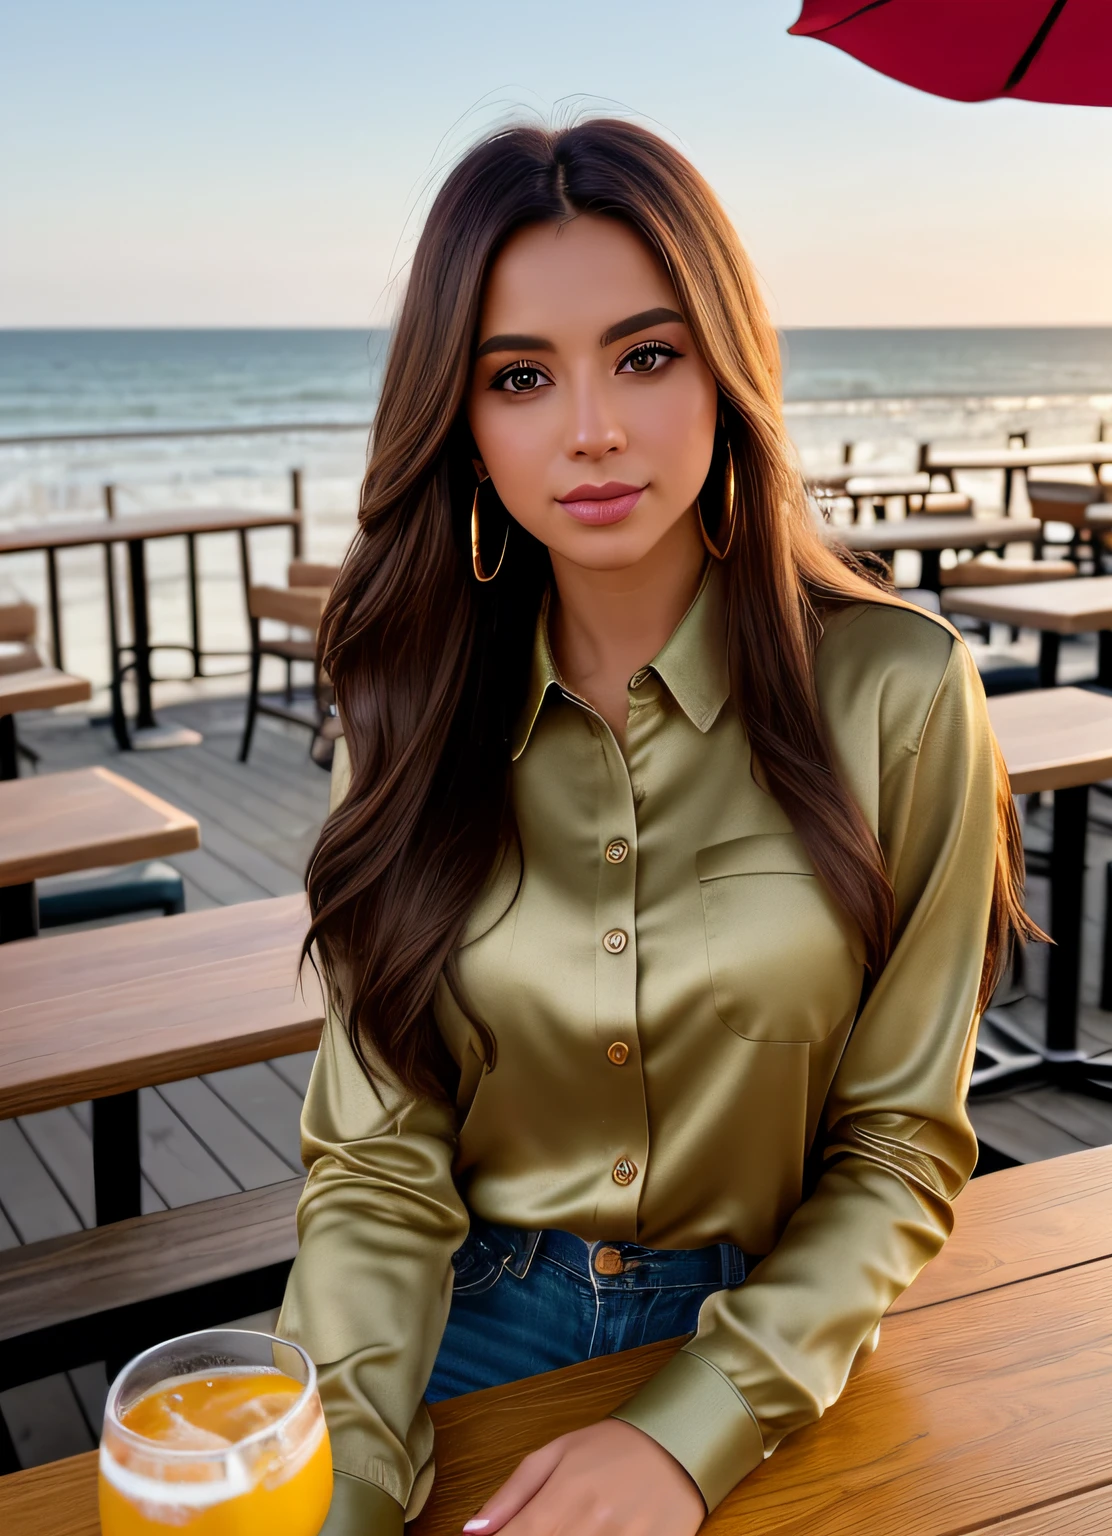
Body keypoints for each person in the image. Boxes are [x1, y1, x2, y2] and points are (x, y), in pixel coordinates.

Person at [278, 118, 1038, 1536]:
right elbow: (380, 1165)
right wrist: (348, 1479)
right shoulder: (406, 708)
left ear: (726, 366)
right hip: (462, 1322)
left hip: (783, 1336)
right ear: (462, 415)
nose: (592, 430)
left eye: (646, 354)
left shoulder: (899, 691)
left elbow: (899, 1146)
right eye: (519, 376)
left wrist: (693, 1431)